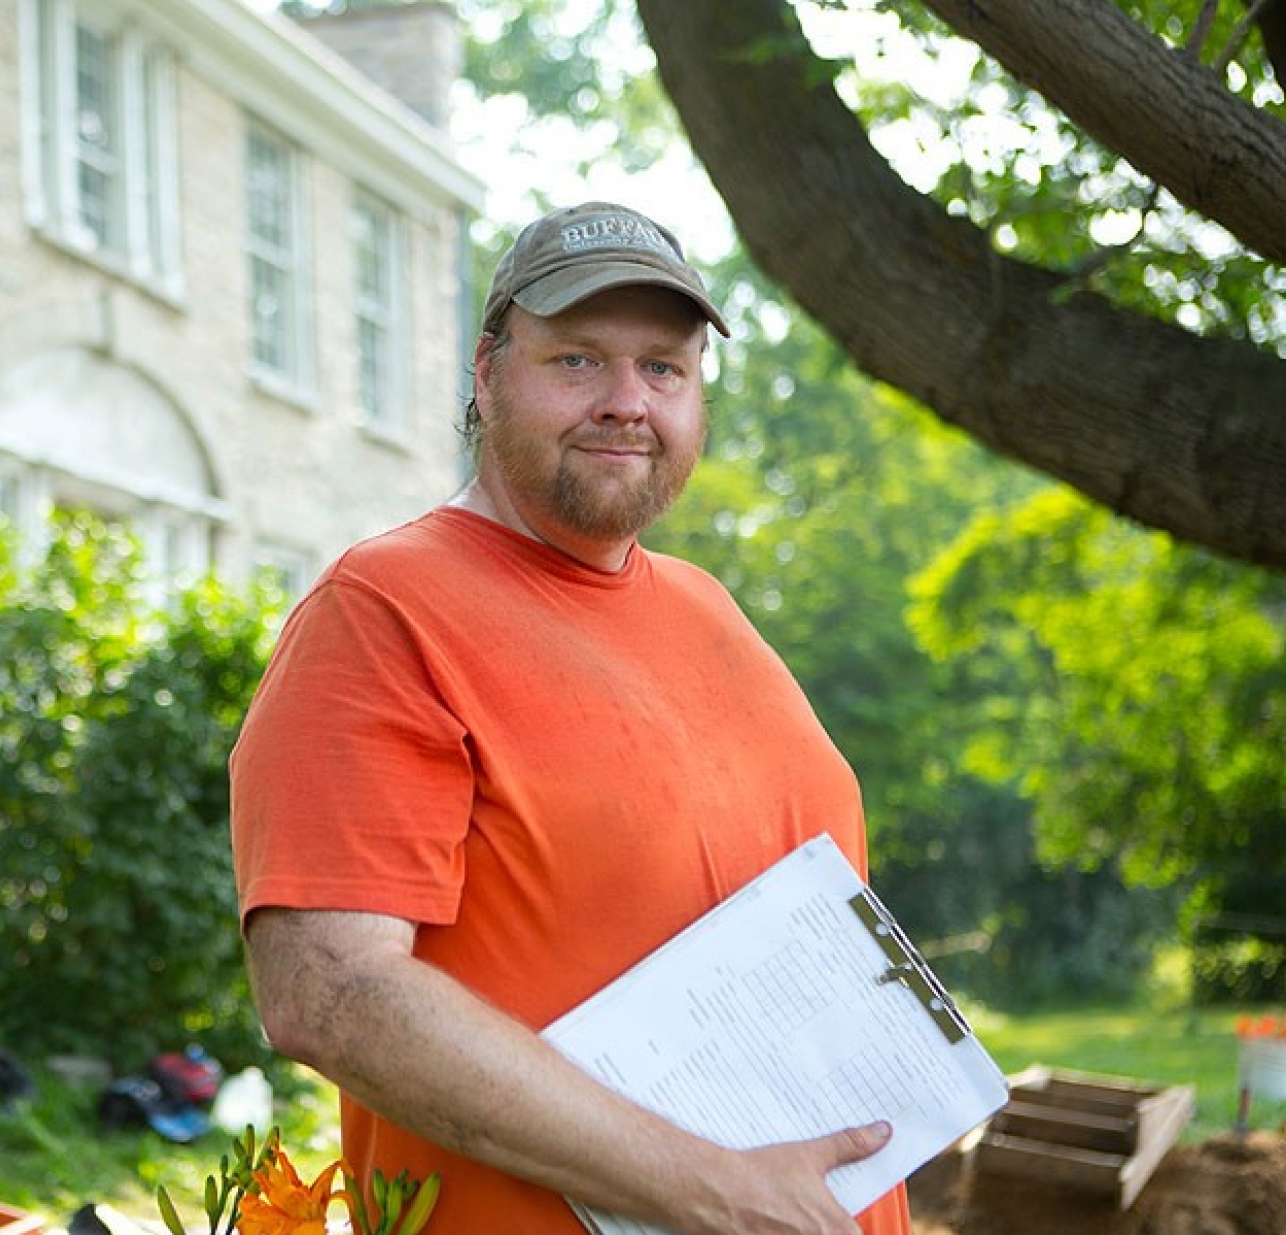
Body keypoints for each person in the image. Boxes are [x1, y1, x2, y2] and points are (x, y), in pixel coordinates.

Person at [228, 201, 908, 1235]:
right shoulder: (383, 608)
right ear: (486, 370)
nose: (626, 401)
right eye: (578, 360)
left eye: (663, 368)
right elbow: (327, 989)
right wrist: (709, 1185)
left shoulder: (707, 609)